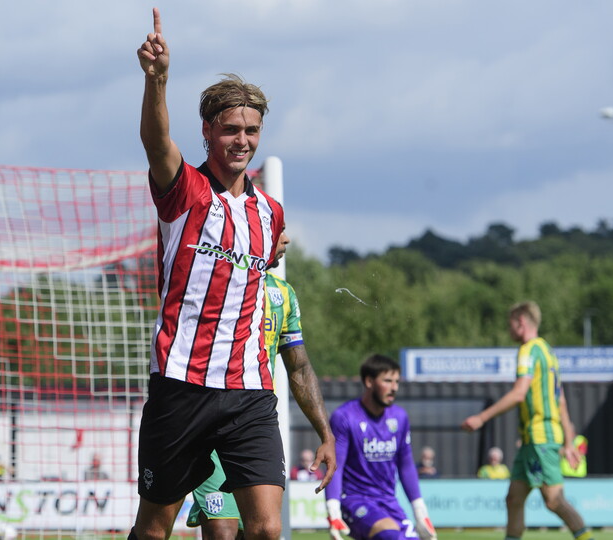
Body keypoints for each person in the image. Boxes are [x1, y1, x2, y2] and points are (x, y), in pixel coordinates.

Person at [132, 9, 335, 540]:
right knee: (154, 529)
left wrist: (324, 427)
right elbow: (156, 142)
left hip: (249, 392)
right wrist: (157, 81)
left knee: (267, 530)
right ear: (207, 131)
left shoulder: (271, 215)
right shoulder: (185, 191)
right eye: (230, 130)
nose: (242, 140)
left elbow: (257, 280)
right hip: (182, 385)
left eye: (251, 130)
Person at [186, 231, 333, 540]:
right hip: (204, 418)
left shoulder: (283, 294)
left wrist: (326, 434)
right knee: (222, 532)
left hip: (253, 422)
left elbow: (300, 367)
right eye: (279, 231)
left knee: (264, 531)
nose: (288, 239)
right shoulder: (211, 282)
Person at [461, 301, 593, 540]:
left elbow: (519, 392)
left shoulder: (528, 350)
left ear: (521, 322)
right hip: (533, 439)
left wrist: (482, 417)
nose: (509, 329)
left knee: (554, 501)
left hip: (540, 437)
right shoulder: (548, 352)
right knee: (514, 499)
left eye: (510, 324)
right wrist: (569, 441)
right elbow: (560, 400)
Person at [325, 354, 437, 540]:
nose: (394, 388)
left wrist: (419, 510)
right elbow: (335, 466)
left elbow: (406, 465)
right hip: (354, 500)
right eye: (387, 381)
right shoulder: (344, 416)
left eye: (397, 381)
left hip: (388, 503)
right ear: (369, 381)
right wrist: (333, 508)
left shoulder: (400, 417)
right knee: (389, 534)